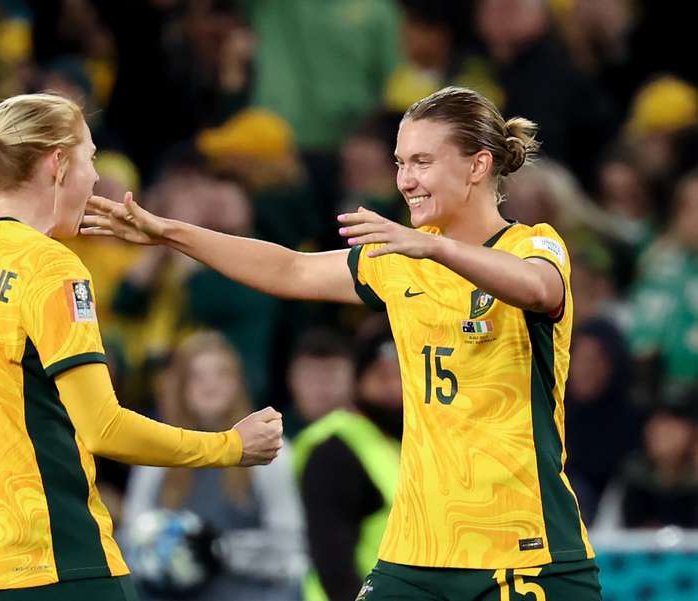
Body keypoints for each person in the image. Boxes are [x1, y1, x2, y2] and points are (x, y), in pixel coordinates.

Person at [85, 86, 603, 600]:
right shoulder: (400, 260)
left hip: (523, 551)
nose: (406, 180)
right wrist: (169, 232)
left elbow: (538, 288)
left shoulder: (531, 244)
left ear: (477, 165)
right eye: (400, 163)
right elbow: (289, 268)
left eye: (422, 161)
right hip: (416, 555)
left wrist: (432, 246)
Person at [0, 92, 284, 601]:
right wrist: (229, 446)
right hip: (55, 559)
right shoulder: (49, 267)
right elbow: (104, 427)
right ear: (57, 164)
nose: (95, 177)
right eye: (90, 158)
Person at [123, 331, 304, 601]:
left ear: (238, 383)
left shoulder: (272, 450)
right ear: (181, 387)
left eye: (222, 374)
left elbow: (292, 550)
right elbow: (131, 536)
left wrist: (219, 549)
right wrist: (170, 549)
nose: (211, 385)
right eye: (198, 377)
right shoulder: (156, 451)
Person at [292, 319, 402, 601]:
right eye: (381, 376)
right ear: (359, 381)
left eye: (400, 376)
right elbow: (332, 559)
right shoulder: (334, 449)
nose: (393, 388)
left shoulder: (404, 439)